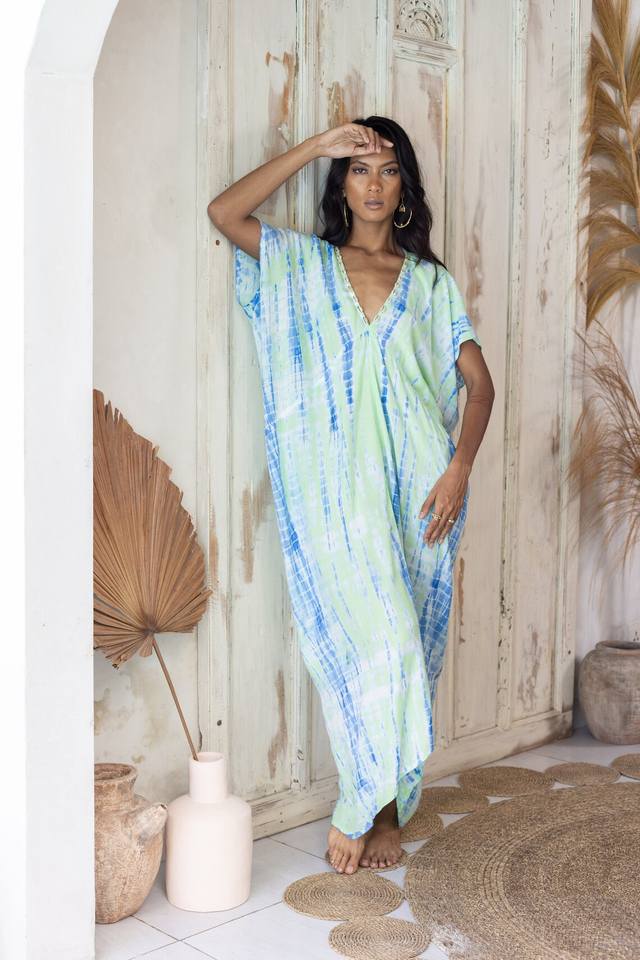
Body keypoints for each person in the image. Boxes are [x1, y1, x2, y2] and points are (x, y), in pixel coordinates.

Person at [207, 116, 494, 877]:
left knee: (410, 647)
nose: (374, 183)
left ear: (405, 190)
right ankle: (358, 802)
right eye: (360, 169)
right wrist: (315, 148)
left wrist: (459, 469)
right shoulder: (304, 266)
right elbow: (224, 213)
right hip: (334, 500)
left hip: (421, 491)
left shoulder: (429, 284)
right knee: (380, 644)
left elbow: (480, 387)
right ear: (341, 184)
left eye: (388, 170)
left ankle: (388, 809)